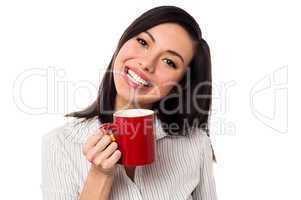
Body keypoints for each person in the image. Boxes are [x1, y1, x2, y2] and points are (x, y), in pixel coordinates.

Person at [41, 5, 217, 200]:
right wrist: (100, 176)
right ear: (123, 41)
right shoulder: (60, 143)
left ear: (180, 83)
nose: (147, 63)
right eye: (143, 42)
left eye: (169, 61)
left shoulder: (196, 143)